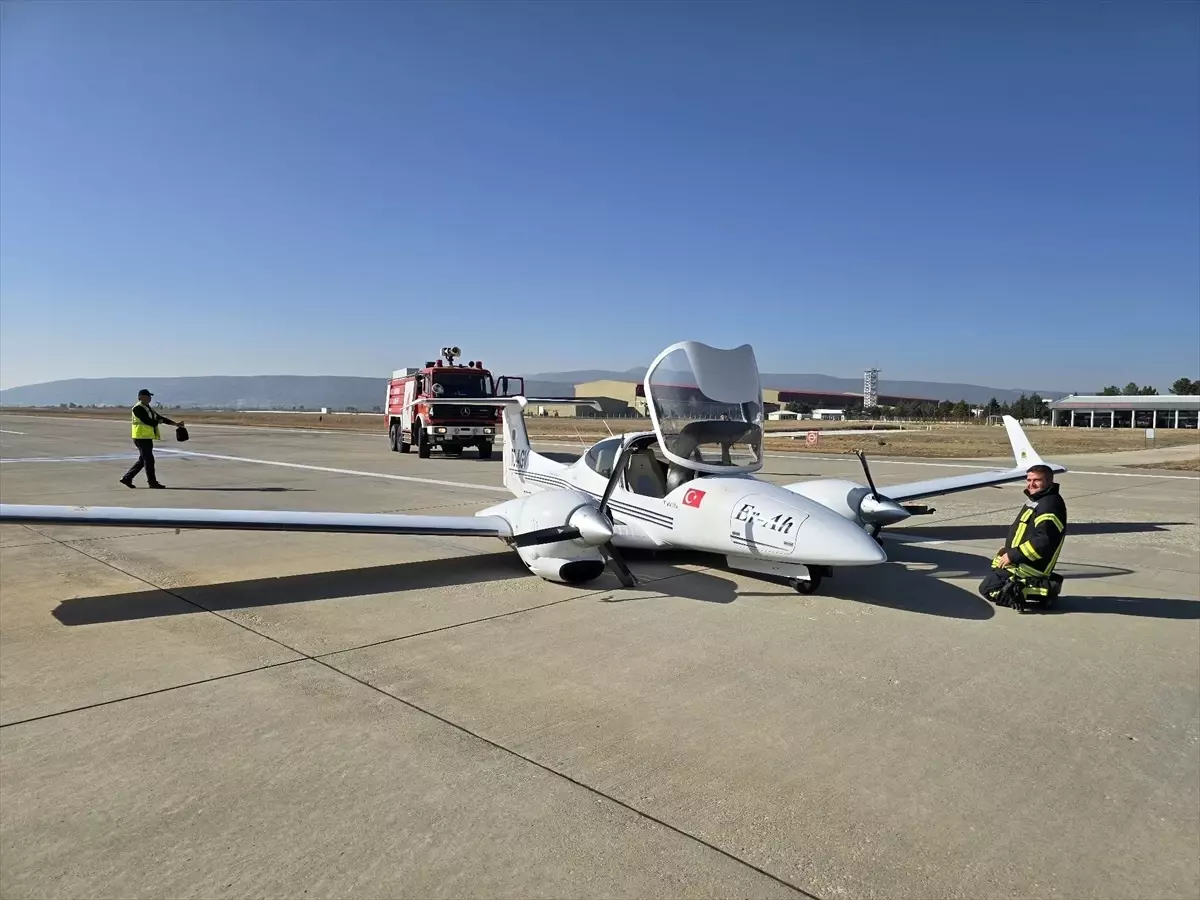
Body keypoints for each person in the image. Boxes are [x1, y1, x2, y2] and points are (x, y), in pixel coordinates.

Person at [978, 464, 1067, 607]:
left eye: (1037, 480)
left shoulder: (1049, 505)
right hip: (1021, 558)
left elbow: (1043, 541)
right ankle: (1028, 589)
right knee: (993, 580)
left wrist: (1013, 555)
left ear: (1049, 481)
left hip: (1029, 564)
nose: (1031, 484)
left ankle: (1045, 588)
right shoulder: (1038, 499)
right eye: (1028, 480)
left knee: (989, 589)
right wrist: (1008, 548)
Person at [120, 389, 184, 489]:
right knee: (149, 460)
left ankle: (127, 478)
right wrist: (158, 421)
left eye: (150, 396)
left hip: (146, 437)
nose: (150, 398)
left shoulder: (148, 408)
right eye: (147, 396)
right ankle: (152, 482)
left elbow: (159, 417)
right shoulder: (138, 408)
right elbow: (147, 421)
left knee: (143, 460)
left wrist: (175, 424)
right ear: (140, 397)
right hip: (140, 437)